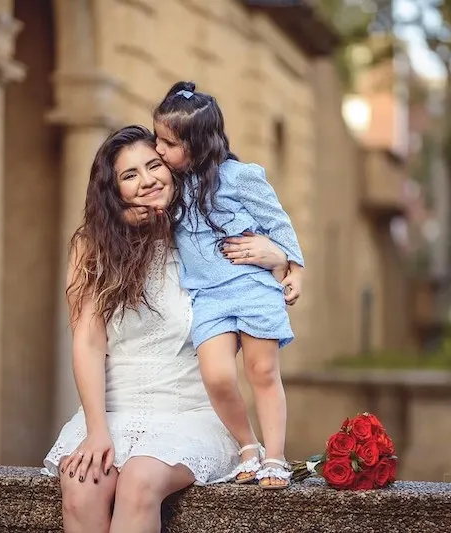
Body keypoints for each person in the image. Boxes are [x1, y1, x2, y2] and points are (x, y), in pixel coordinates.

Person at [41, 125, 298, 533]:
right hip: (111, 410)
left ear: (174, 167)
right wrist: (95, 431)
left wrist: (277, 257)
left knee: (139, 484)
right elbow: (88, 343)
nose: (146, 181)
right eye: (129, 175)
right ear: (114, 190)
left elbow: (259, 305)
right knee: (81, 485)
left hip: (189, 413)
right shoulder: (93, 246)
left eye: (154, 165)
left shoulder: (207, 236)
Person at [153, 81, 305, 489]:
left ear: (198, 143)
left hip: (252, 288)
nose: (159, 150)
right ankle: (247, 446)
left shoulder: (239, 177)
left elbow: (278, 222)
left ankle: (275, 455)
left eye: (168, 143)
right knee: (217, 376)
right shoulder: (171, 186)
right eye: (157, 139)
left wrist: (293, 268)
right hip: (207, 297)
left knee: (262, 371)